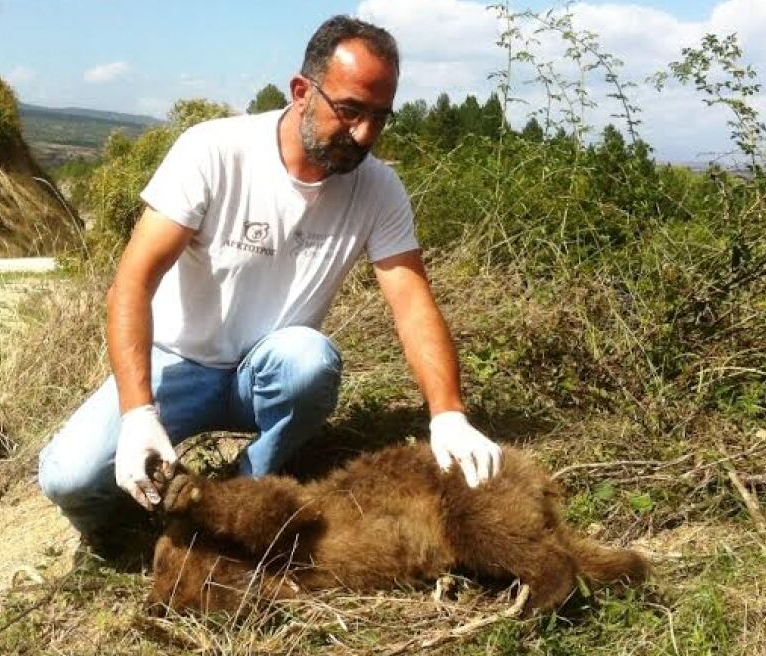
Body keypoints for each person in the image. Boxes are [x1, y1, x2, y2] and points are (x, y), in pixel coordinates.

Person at [38, 15, 503, 546]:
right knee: (68, 479)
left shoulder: (379, 189)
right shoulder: (214, 151)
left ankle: (241, 492)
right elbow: (132, 283)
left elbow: (413, 303)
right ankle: (120, 530)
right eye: (350, 110)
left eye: (380, 117)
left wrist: (448, 415)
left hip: (264, 372)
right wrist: (138, 413)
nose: (364, 134)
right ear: (302, 91)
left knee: (310, 361)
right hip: (178, 363)